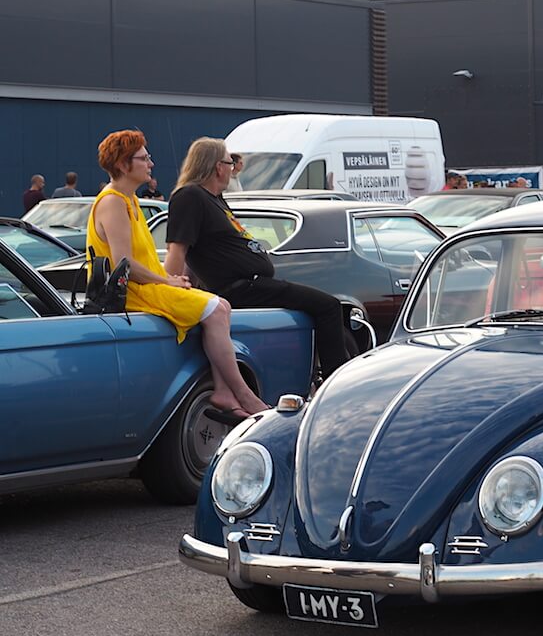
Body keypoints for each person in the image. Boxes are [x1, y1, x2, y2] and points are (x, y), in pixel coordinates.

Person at [89, 130, 268, 421]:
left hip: (146, 286)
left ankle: (224, 390)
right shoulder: (113, 202)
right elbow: (124, 265)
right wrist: (167, 280)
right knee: (215, 308)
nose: (151, 163)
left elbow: (139, 260)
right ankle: (243, 394)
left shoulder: (130, 201)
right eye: (144, 158)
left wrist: (170, 280)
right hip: (135, 292)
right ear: (123, 165)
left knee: (220, 305)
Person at [165, 137, 350, 380]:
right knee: (328, 306)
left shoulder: (215, 199)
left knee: (317, 308)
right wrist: (170, 288)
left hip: (252, 282)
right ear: (216, 166)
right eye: (229, 162)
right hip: (241, 287)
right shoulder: (190, 196)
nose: (233, 168)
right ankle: (336, 380)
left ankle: (312, 376)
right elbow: (179, 250)